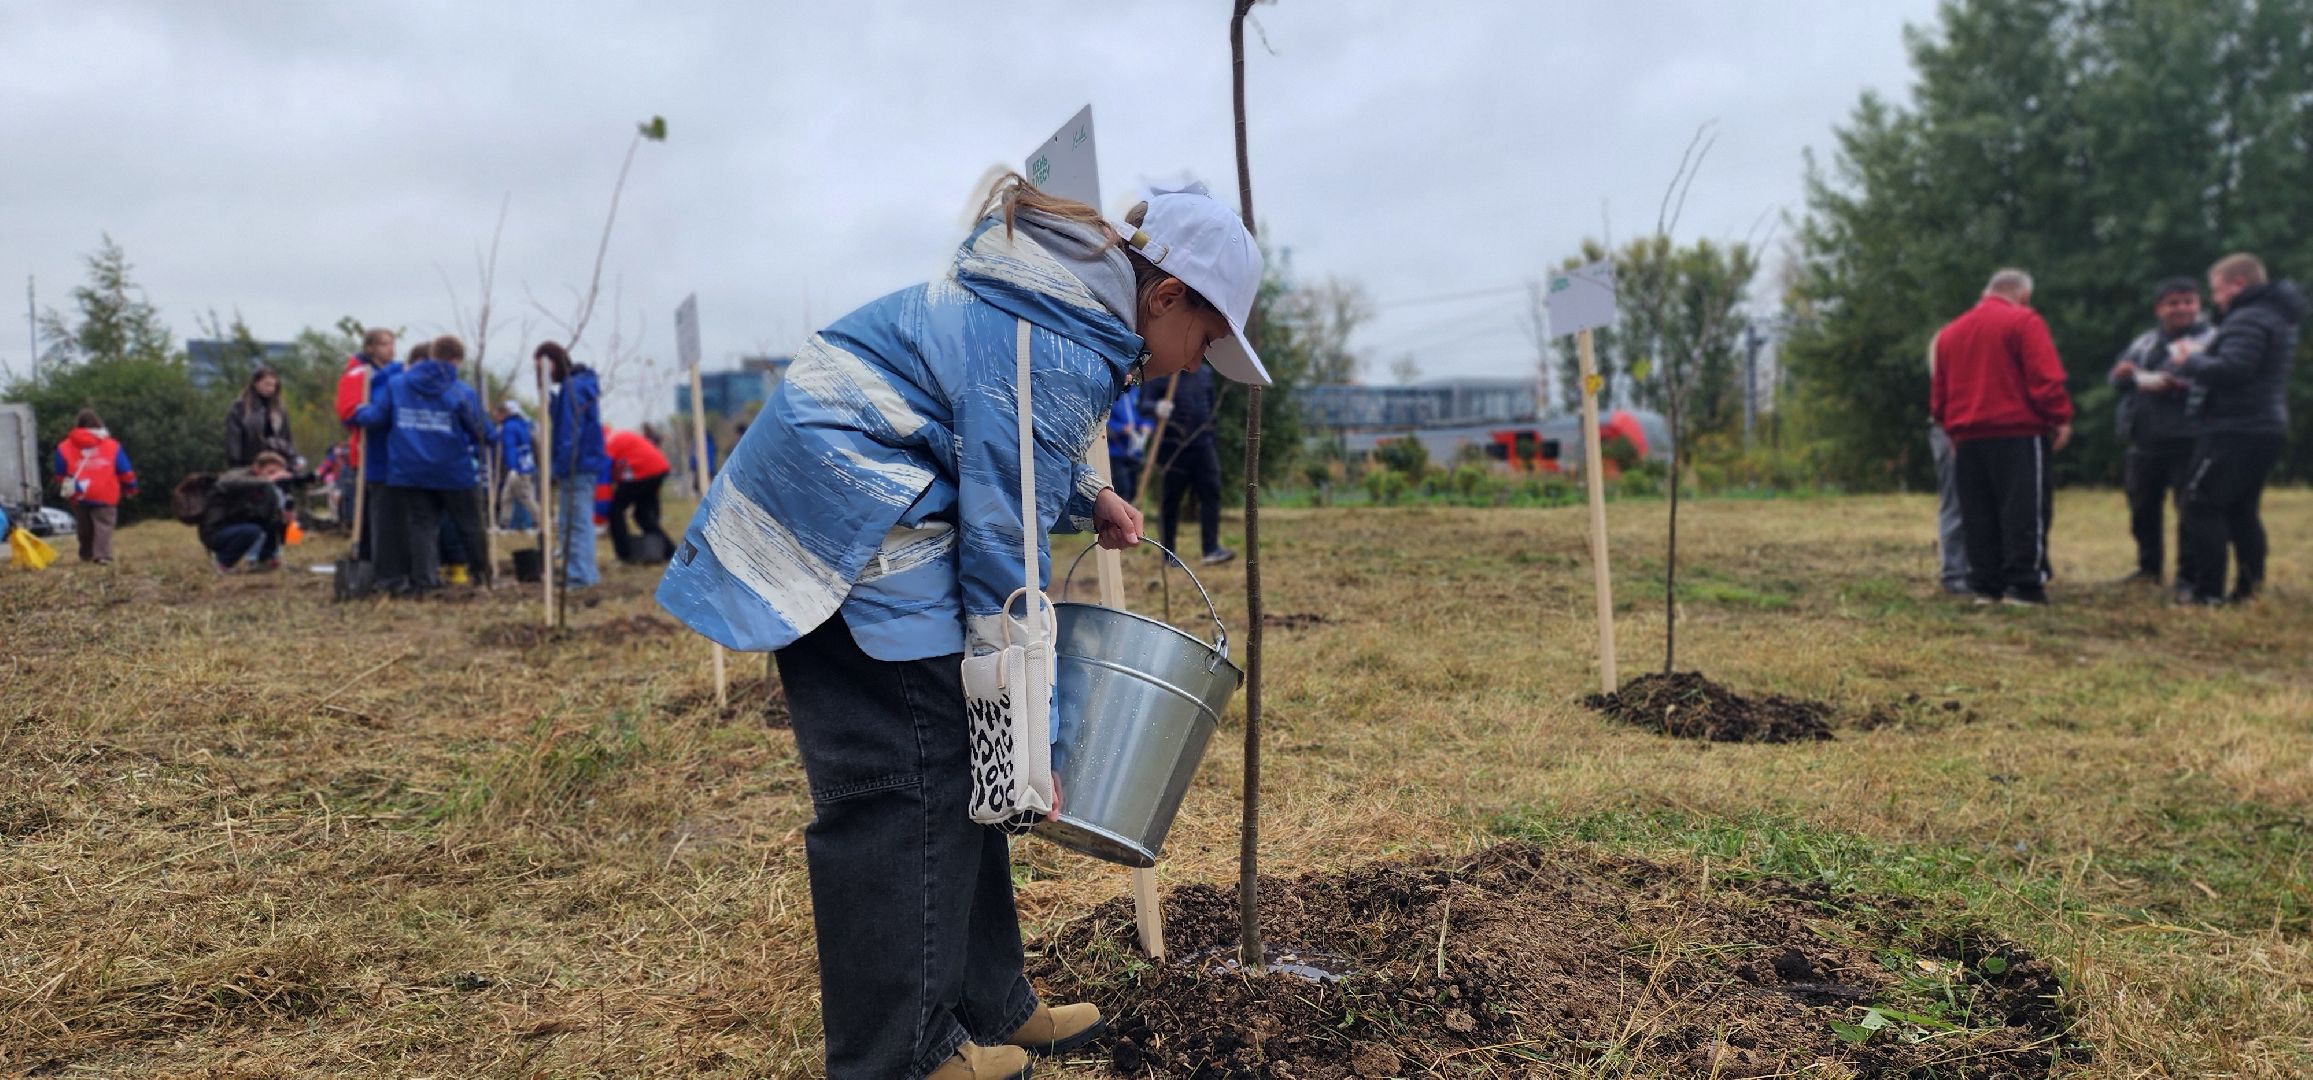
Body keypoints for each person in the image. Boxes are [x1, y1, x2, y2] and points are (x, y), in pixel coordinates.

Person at [656, 176, 1265, 1080]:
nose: (1190, 362)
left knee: (966, 765)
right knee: (905, 782)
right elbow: (999, 541)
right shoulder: (1057, 341)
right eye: (1203, 340)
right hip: (849, 535)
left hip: (866, 510)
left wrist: (1086, 490)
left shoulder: (1054, 312)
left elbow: (992, 437)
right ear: (1165, 296)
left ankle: (991, 1001)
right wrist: (1032, 724)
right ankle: (897, 1055)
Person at [1930, 268, 2074, 606]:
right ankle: (2023, 585)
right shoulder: (2023, 321)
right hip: (2017, 431)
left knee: (1978, 513)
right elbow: (2044, 377)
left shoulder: (1950, 333)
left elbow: (1939, 395)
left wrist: (1951, 428)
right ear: (2023, 295)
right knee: (2023, 511)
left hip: (1967, 437)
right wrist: (2060, 417)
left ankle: (1986, 586)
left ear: (1986, 293)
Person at [2170, 254, 2301, 605]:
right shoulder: (2272, 315)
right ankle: (2247, 590)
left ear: (2238, 284)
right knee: (2241, 509)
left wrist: (2190, 360)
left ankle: (2207, 592)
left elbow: (2235, 369)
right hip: (2261, 426)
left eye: (2217, 290)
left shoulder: (2249, 317)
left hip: (2238, 428)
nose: (2215, 299)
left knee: (2200, 503)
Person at [353, 335, 494, 594]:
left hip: (411, 471)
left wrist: (359, 411)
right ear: (455, 360)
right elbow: (481, 431)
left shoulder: (397, 385)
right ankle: (481, 578)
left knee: (422, 525)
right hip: (453, 471)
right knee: (470, 524)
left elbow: (376, 417)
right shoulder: (460, 391)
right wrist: (493, 436)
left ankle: (424, 581)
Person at [2108, 277, 2215, 588]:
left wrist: (2177, 386)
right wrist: (2121, 375)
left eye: (2188, 302)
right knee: (2142, 508)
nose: (2181, 309)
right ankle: (2148, 568)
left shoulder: (2212, 340)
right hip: (2144, 437)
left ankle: (2187, 575)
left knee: (2190, 510)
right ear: (2159, 309)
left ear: (2198, 305)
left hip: (2190, 436)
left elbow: (2222, 379)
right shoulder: (2145, 341)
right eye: (2173, 303)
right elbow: (2117, 379)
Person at [1141, 365, 1233, 564]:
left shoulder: (1205, 373)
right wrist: (1155, 407)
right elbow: (1143, 404)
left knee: (1212, 493)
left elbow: (1210, 406)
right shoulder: (1162, 372)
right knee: (1171, 501)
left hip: (1203, 445)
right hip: (1172, 448)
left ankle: (1211, 549)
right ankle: (1168, 554)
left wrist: (1211, 435)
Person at [537, 341, 607, 589]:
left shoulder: (572, 388)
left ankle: (579, 576)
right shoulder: (579, 386)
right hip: (584, 462)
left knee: (574, 524)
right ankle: (583, 572)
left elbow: (569, 431)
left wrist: (560, 465)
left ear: (551, 363)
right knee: (576, 522)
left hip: (576, 464)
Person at [335, 328, 400, 560]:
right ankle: (366, 557)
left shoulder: (396, 373)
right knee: (370, 512)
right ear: (371, 347)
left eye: (392, 343)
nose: (391, 349)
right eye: (384, 344)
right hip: (365, 449)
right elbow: (347, 412)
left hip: (392, 450)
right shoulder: (358, 375)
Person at [52, 409, 137, 565]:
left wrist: (63, 481)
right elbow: (124, 470)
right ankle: (102, 555)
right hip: (105, 491)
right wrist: (130, 487)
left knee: (84, 526)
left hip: (78, 492)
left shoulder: (64, 446)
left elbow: (59, 472)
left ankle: (86, 554)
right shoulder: (112, 445)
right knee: (103, 525)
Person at [1925, 338, 1970, 595]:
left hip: (1962, 427)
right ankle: (1954, 574)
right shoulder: (1946, 345)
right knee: (1955, 502)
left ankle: (1968, 570)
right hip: (1950, 428)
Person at [200, 451, 292, 572]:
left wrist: (284, 516)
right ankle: (223, 563)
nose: (274, 477)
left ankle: (266, 559)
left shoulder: (264, 487)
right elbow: (225, 482)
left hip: (235, 525)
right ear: (256, 468)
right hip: (217, 531)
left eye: (277, 473)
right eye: (271, 472)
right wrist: (267, 479)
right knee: (252, 531)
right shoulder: (238, 475)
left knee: (274, 522)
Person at [604, 425, 673, 563]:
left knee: (615, 510)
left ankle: (624, 554)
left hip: (643, 472)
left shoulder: (607, 443)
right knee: (643, 516)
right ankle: (670, 551)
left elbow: (604, 475)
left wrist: (601, 505)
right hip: (658, 468)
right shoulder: (617, 436)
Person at [225, 366, 298, 469]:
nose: (270, 389)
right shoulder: (240, 407)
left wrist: (292, 461)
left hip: (276, 461)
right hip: (249, 462)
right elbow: (233, 438)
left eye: (273, 386)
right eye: (267, 384)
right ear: (256, 383)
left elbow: (287, 437)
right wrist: (235, 463)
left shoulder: (279, 409)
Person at [493, 401, 539, 532]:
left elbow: (510, 448)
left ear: (502, 414)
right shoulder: (522, 424)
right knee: (506, 496)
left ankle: (539, 519)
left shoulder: (509, 428)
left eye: (496, 415)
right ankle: (504, 523)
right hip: (526, 465)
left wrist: (512, 468)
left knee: (525, 497)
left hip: (518, 469)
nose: (494, 418)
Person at [1105, 392, 1150, 501]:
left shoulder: (1135, 392)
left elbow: (1143, 413)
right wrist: (1121, 428)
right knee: (1122, 489)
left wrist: (1146, 425)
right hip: (1115, 452)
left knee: (1133, 491)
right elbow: (1103, 421)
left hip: (1134, 453)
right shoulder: (1110, 393)